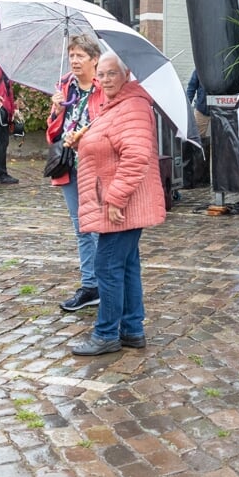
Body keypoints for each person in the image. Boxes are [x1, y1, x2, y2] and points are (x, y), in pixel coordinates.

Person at [69, 52, 166, 356]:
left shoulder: (133, 106)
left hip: (121, 205)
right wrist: (81, 141)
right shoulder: (116, 106)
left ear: (126, 75)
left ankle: (107, 333)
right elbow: (110, 145)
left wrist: (115, 198)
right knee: (125, 266)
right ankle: (132, 329)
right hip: (120, 204)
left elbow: (136, 157)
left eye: (112, 73)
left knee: (107, 266)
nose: (105, 79)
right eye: (101, 74)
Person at [48, 35, 107, 313]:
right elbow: (52, 134)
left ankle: (105, 284)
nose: (74, 60)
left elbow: (110, 128)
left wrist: (86, 136)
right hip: (68, 165)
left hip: (94, 166)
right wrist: (56, 111)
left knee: (95, 226)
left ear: (94, 59)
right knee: (80, 227)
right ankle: (90, 286)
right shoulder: (65, 88)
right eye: (72, 55)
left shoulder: (104, 89)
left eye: (80, 55)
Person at [186, 68, 210, 141]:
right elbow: (191, 89)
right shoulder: (200, 69)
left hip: (222, 111)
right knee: (197, 138)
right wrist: (186, 106)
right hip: (202, 111)